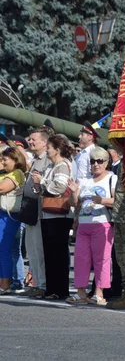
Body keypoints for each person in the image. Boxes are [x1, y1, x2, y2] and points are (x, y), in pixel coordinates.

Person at [66, 147, 116, 305]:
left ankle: (99, 293)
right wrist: (74, 192)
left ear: (107, 162)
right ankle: (81, 292)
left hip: (102, 224)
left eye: (100, 161)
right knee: (81, 259)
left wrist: (103, 201)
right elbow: (74, 203)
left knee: (102, 259)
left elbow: (117, 201)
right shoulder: (84, 180)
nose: (96, 164)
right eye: (93, 161)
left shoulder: (111, 178)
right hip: (83, 224)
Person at [30, 135, 74, 300]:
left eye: (49, 147)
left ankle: (60, 289)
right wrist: (37, 184)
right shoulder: (51, 167)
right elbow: (45, 189)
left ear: (57, 149)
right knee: (49, 252)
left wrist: (41, 181)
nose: (47, 150)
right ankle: (51, 288)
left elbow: (59, 188)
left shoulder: (62, 166)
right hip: (47, 213)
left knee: (58, 253)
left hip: (60, 213)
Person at [19, 127, 53, 298]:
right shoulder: (35, 160)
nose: (30, 142)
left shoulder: (48, 160)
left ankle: (43, 284)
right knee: (32, 250)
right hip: (30, 210)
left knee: (39, 250)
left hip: (41, 210)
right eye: (30, 139)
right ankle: (37, 283)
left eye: (34, 139)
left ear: (44, 142)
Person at [0, 147, 26, 294]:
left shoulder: (17, 173)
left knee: (4, 249)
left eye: (5, 159)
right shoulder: (7, 173)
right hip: (2, 214)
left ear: (15, 160)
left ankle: (5, 282)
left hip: (9, 215)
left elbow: (2, 188)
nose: (2, 162)